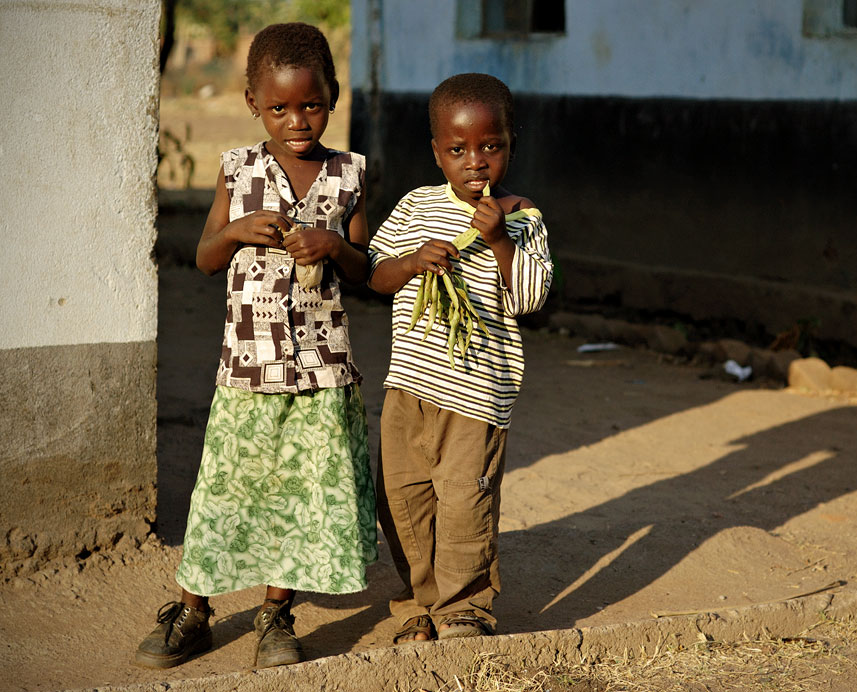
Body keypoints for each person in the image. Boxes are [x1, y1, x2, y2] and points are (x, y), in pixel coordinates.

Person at [134, 23, 377, 670]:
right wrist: (238, 229)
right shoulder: (237, 170)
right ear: (252, 104)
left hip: (322, 373)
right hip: (247, 368)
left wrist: (334, 247)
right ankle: (194, 610)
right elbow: (204, 257)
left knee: (301, 496)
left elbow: (363, 269)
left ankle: (275, 613)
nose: (297, 120)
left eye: (311, 104)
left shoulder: (348, 174)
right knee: (225, 489)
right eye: (278, 107)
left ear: (333, 96)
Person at [368, 73, 553, 643]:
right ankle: (418, 606)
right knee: (402, 498)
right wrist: (414, 260)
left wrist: (501, 241)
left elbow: (530, 299)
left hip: (477, 396)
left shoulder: (523, 218)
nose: (475, 161)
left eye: (490, 147)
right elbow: (376, 274)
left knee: (465, 502)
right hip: (408, 389)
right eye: (458, 149)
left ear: (509, 146)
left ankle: (464, 608)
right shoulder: (416, 206)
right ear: (437, 152)